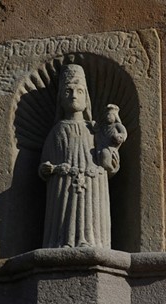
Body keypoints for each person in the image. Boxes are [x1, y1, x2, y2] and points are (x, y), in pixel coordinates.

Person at [39, 64, 119, 248]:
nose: (74, 95)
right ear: (60, 98)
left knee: (90, 215)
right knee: (66, 216)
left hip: (93, 185)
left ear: (86, 98)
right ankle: (63, 241)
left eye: (79, 91)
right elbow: (45, 162)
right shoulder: (57, 131)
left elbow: (108, 158)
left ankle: (92, 242)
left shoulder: (95, 129)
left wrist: (111, 157)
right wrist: (46, 168)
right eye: (68, 91)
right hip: (63, 186)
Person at [95, 104, 127, 176]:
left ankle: (110, 168)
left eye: (110, 115)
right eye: (107, 115)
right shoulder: (103, 127)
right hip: (101, 146)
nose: (108, 117)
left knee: (105, 153)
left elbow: (124, 133)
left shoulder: (117, 125)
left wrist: (120, 137)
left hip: (111, 148)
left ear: (115, 116)